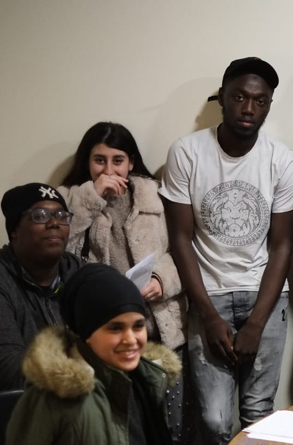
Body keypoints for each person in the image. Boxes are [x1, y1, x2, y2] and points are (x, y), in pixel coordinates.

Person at [160, 57, 293, 444]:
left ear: (269, 104)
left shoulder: (281, 160)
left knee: (258, 414)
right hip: (209, 293)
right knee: (214, 421)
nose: (249, 108)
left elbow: (283, 245)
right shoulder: (187, 152)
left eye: (260, 100)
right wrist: (207, 315)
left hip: (265, 294)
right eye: (239, 97)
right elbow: (180, 239)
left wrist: (256, 323)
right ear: (222, 97)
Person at [57, 122, 188, 443]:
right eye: (99, 160)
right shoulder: (69, 200)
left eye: (117, 160)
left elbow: (180, 251)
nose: (109, 169)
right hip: (105, 340)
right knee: (119, 430)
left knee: (170, 427)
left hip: (159, 329)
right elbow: (62, 257)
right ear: (87, 162)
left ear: (131, 162)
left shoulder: (154, 194)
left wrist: (161, 280)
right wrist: (92, 198)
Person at [6, 263, 179, 445]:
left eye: (138, 326)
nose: (130, 339)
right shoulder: (53, 398)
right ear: (86, 333)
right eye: (115, 328)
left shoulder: (148, 380)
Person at [0, 182, 80, 390]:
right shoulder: (3, 279)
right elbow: (10, 370)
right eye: (40, 215)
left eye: (61, 216)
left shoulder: (80, 273)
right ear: (14, 229)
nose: (54, 223)